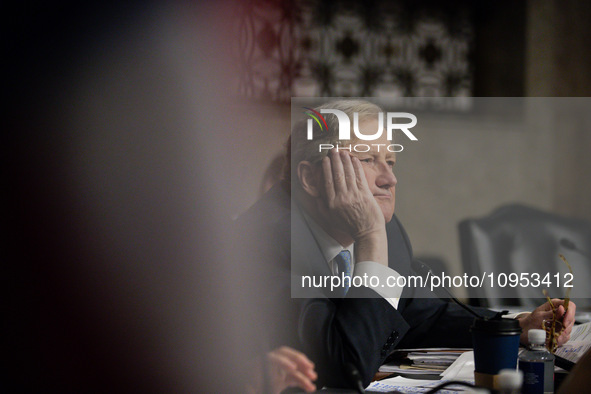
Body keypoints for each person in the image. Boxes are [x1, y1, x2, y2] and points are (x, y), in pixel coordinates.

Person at [236, 100, 576, 389]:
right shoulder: (260, 246)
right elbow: (347, 366)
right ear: (310, 178)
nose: (390, 178)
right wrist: (370, 238)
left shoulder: (385, 229)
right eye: (368, 160)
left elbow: (419, 312)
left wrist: (516, 325)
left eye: (391, 161)